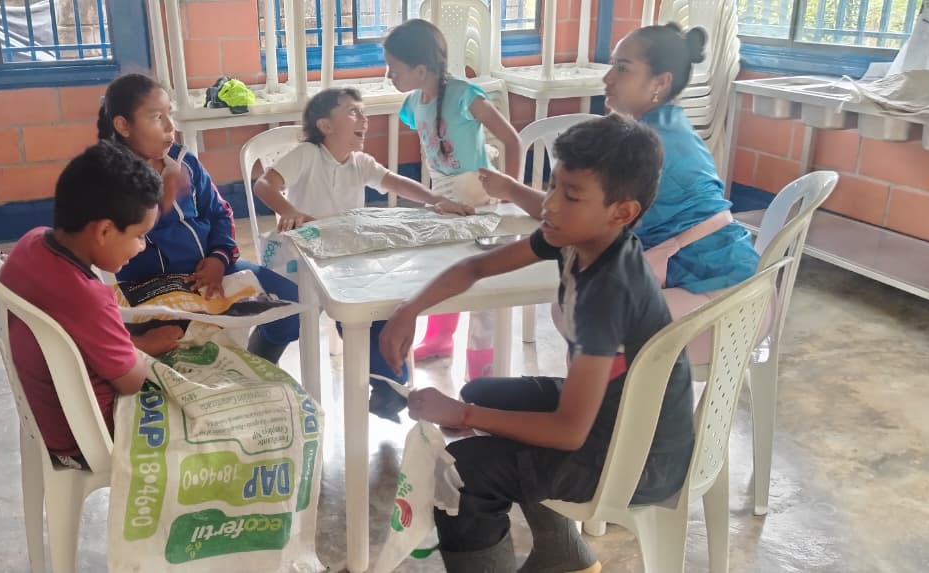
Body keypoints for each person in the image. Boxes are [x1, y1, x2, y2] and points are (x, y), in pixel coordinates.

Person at [379, 115, 694, 572]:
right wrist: (410, 308)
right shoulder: (577, 238)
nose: (550, 205)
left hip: (639, 457)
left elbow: (569, 432)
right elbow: (477, 267)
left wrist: (462, 415)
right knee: (483, 393)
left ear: (622, 212)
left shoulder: (607, 292)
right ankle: (564, 554)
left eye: (571, 195)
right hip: (620, 415)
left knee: (463, 472)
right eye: (551, 186)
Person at [478, 23, 759, 363]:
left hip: (725, 303)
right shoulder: (670, 126)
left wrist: (509, 188)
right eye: (612, 65)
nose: (607, 78)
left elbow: (570, 216)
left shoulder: (642, 147)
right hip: (734, 281)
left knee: (578, 311)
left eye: (623, 69)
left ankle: (617, 398)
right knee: (575, 301)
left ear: (660, 82)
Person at [253, 87, 475, 421]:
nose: (364, 118)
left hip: (345, 259)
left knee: (372, 311)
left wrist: (436, 201)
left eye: (363, 111)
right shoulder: (307, 154)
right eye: (353, 111)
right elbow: (264, 185)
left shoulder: (360, 163)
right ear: (326, 125)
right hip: (303, 259)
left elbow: (396, 183)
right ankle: (255, 370)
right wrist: (289, 210)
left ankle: (388, 386)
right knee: (284, 320)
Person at [0, 141, 183, 471]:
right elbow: (131, 382)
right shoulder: (87, 297)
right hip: (90, 437)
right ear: (104, 230)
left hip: (48, 421)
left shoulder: (30, 244)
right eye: (139, 235)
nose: (142, 246)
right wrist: (145, 347)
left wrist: (134, 342)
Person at [97, 73, 301, 364]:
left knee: (291, 302)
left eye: (170, 114)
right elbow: (125, 235)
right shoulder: (109, 176)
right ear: (123, 126)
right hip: (150, 287)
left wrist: (218, 259)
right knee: (185, 343)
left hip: (212, 271)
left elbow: (219, 213)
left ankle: (261, 365)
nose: (170, 127)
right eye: (157, 117)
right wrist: (164, 195)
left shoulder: (185, 162)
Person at [383, 18, 524, 380]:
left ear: (420, 69)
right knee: (443, 269)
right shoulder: (414, 103)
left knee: (485, 278)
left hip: (481, 198)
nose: (388, 76)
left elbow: (511, 139)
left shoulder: (465, 96)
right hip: (445, 200)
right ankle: (440, 338)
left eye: (394, 70)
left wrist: (511, 191)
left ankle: (481, 359)